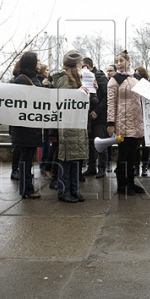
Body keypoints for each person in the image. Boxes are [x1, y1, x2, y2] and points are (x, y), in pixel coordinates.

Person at [107, 50, 145, 196]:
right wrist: (111, 123)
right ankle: (122, 185)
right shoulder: (114, 80)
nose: (119, 64)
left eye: (121, 61)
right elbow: (111, 103)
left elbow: (145, 93)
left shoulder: (136, 77)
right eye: (117, 62)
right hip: (122, 122)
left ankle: (131, 182)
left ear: (129, 62)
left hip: (136, 121)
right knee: (124, 154)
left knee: (133, 155)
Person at [53, 50, 90, 203]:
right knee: (67, 160)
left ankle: (74, 190)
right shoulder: (63, 79)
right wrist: (79, 92)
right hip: (69, 126)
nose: (83, 64)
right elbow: (65, 99)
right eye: (81, 62)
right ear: (76, 63)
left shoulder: (75, 78)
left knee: (76, 159)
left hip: (76, 124)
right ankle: (64, 191)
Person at [9, 51, 43, 199]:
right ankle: (27, 190)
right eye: (38, 61)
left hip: (31, 125)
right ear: (31, 63)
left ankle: (27, 188)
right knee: (26, 159)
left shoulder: (32, 78)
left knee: (28, 158)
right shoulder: (22, 80)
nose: (40, 64)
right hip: (25, 127)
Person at [82, 58, 109, 178]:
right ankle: (91, 166)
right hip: (88, 115)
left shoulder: (100, 77)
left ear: (88, 66)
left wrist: (97, 111)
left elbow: (106, 97)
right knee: (90, 143)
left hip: (100, 117)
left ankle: (102, 167)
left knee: (100, 142)